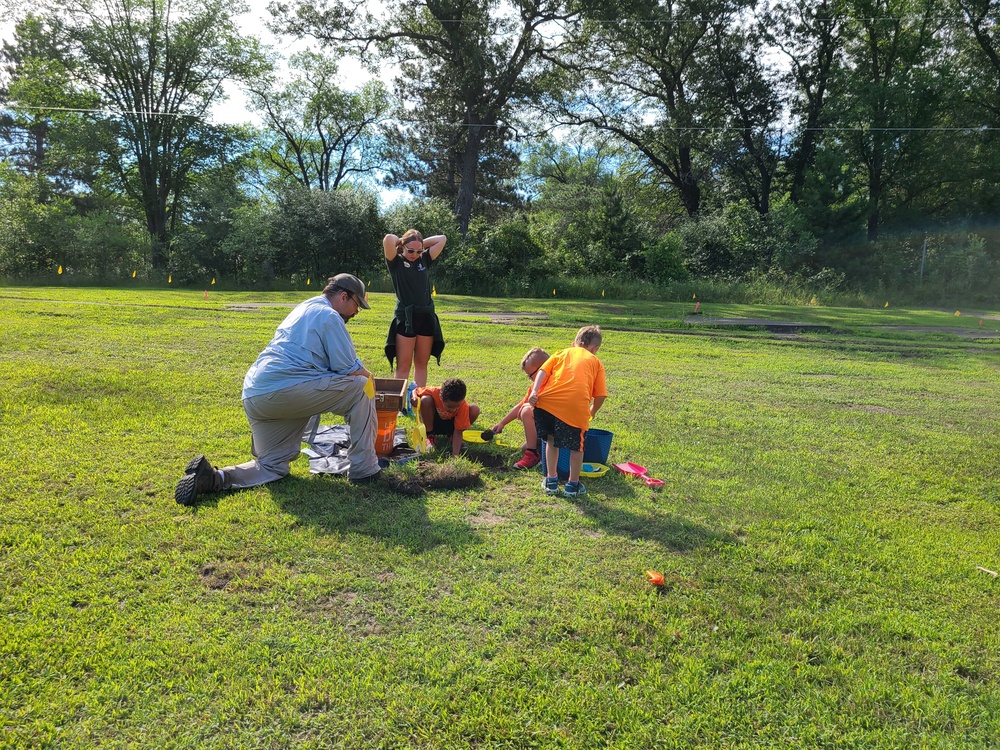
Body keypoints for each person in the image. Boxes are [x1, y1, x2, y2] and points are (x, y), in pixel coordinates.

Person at [175, 274, 382, 506]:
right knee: (362, 388)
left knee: (273, 467)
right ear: (344, 296)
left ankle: (213, 478)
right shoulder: (329, 316)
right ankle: (365, 470)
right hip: (285, 392)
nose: (355, 313)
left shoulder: (304, 308)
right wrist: (374, 380)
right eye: (357, 305)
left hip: (256, 396)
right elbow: (348, 369)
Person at [526, 326, 608, 498]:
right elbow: (600, 395)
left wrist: (534, 391)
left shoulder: (561, 353)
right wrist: (591, 411)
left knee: (551, 440)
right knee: (577, 448)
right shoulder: (596, 362)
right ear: (595, 349)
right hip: (575, 408)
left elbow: (542, 371)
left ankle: (551, 480)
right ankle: (572, 485)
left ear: (574, 344)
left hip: (546, 403)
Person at [383, 229, 447, 388]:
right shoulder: (395, 262)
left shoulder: (424, 259)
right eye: (411, 250)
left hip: (425, 317)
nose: (415, 254)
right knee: (403, 365)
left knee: (421, 363)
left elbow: (442, 239)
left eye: (419, 251)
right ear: (403, 247)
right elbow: (388, 239)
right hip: (406, 318)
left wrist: (420, 243)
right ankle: (400, 405)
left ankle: (417, 400)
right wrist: (402, 241)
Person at [490, 346, 550, 469]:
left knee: (527, 411)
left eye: (530, 375)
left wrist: (529, 407)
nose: (530, 379)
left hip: (557, 426)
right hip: (547, 426)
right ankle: (538, 450)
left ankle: (533, 454)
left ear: (542, 369)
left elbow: (526, 408)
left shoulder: (554, 383)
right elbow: (520, 405)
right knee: (525, 446)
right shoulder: (535, 387)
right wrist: (502, 423)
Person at [412, 377, 480, 457]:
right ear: (441, 397)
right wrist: (414, 398)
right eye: (449, 406)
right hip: (433, 422)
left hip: (451, 425)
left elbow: (458, 432)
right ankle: (430, 436)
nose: (453, 409)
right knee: (425, 400)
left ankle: (451, 436)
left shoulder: (463, 406)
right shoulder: (435, 391)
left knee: (475, 409)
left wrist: (455, 455)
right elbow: (415, 391)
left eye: (456, 407)